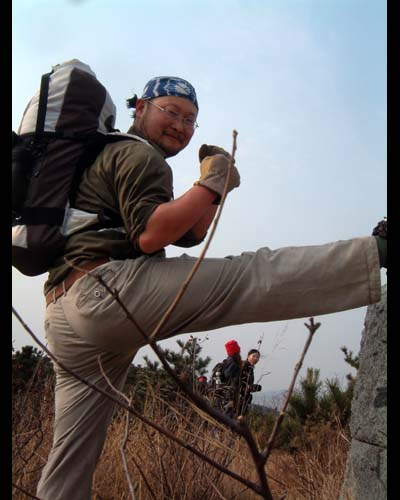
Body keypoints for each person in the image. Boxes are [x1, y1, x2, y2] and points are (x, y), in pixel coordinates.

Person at [36, 75, 386, 500]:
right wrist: (214, 179)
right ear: (140, 107)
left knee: (71, 455)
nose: (180, 125)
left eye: (190, 119)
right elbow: (151, 235)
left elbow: (189, 233)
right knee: (250, 275)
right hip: (105, 294)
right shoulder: (137, 154)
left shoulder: (109, 152)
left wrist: (213, 189)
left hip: (64, 311)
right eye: (171, 111)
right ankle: (378, 252)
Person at [237, 349, 262, 419]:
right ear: (248, 356)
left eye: (257, 357)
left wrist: (251, 387)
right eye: (254, 356)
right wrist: (249, 387)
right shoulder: (244, 365)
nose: (256, 359)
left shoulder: (250, 368)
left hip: (244, 399)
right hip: (238, 398)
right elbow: (237, 381)